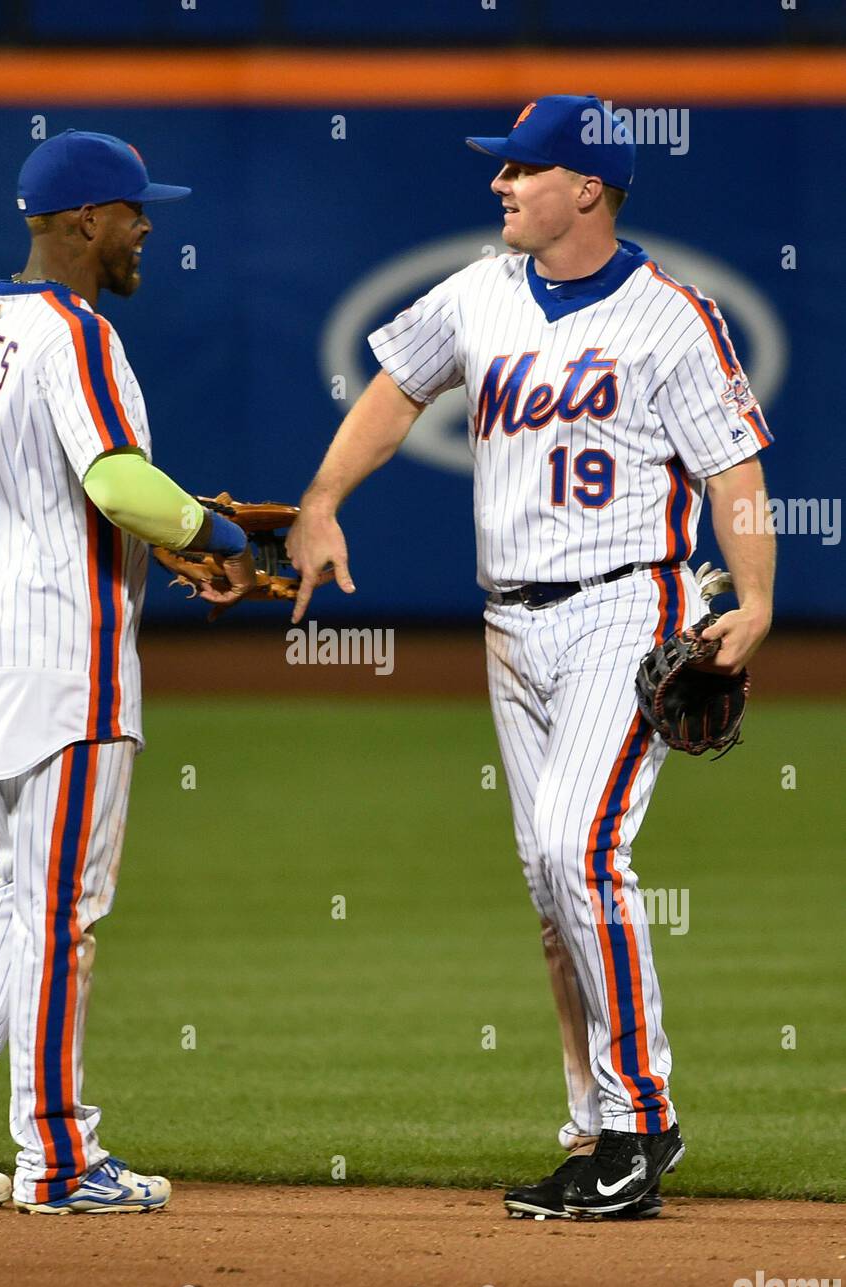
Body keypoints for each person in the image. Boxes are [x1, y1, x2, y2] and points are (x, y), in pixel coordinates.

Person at [287, 95, 775, 1219]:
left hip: (625, 609)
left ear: (587, 189)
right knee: (550, 891)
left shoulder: (671, 317)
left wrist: (751, 599)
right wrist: (321, 497)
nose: (499, 186)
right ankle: (590, 1128)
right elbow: (397, 386)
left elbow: (733, 473)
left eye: (520, 170)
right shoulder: (477, 292)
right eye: (499, 171)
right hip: (509, 621)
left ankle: (639, 1123)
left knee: (577, 845)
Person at [0, 129, 255, 1215]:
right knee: (64, 910)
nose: (148, 227)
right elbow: (116, 483)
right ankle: (56, 1152)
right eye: (136, 210)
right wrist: (216, 531)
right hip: (63, 660)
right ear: (87, 222)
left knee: (21, 893)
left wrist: (175, 534)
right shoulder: (72, 333)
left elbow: (66, 493)